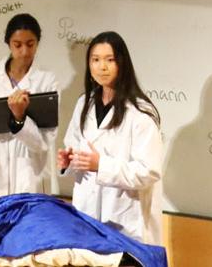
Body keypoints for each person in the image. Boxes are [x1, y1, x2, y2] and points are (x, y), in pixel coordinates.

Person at [57, 31, 164, 243]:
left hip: (126, 222)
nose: (101, 67)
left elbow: (149, 171)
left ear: (122, 64)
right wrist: (69, 161)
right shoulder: (84, 104)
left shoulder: (140, 113)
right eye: (95, 60)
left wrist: (101, 165)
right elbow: (73, 144)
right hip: (87, 217)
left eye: (109, 60)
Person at [0, 12, 59, 197]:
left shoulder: (47, 81)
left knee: (28, 221)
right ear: (8, 43)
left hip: (29, 173)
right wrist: (14, 118)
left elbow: (45, 140)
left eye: (30, 44)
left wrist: (20, 121)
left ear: (37, 42)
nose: (24, 52)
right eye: (17, 45)